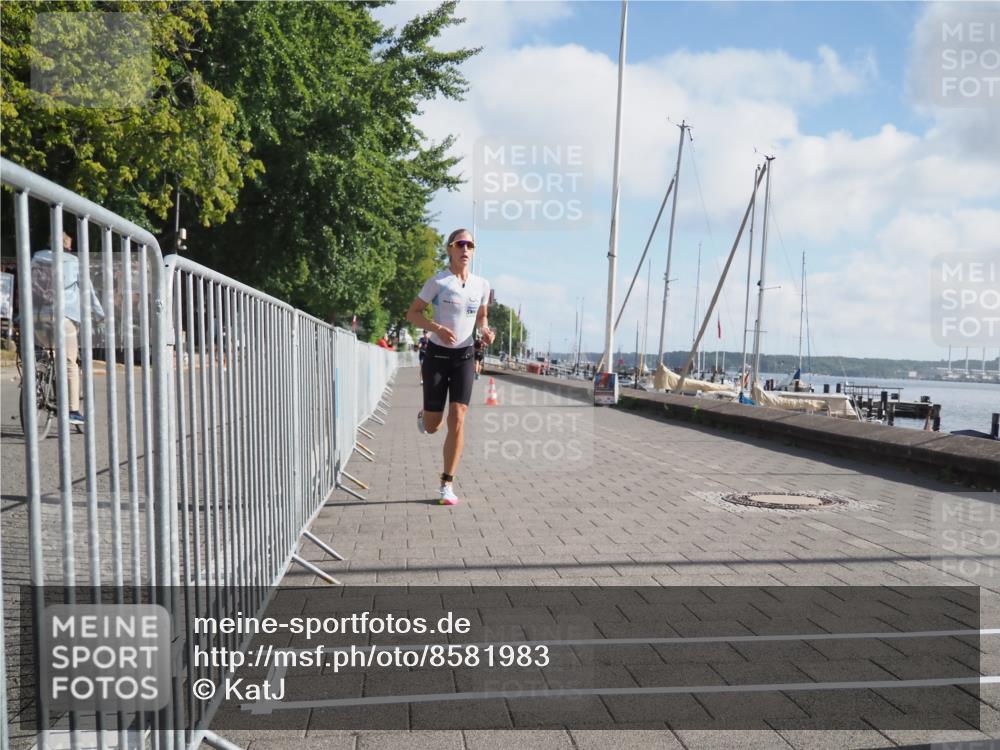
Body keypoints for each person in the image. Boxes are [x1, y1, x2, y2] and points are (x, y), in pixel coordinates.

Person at [405, 228, 494, 506]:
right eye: (460, 244)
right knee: (433, 426)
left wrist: (486, 331)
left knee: (458, 416)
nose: (465, 249)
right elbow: (412, 313)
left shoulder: (482, 285)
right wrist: (436, 328)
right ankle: (427, 415)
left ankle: (447, 483)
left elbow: (482, 317)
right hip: (437, 356)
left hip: (465, 356)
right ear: (450, 249)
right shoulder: (438, 282)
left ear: (474, 251)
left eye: (470, 245)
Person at [31, 231, 105, 425]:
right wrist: (99, 313)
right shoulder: (72, 261)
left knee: (46, 351)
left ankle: (39, 377)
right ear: (66, 245)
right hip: (64, 315)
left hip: (37, 314)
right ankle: (72, 410)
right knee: (70, 362)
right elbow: (87, 290)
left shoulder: (37, 257)